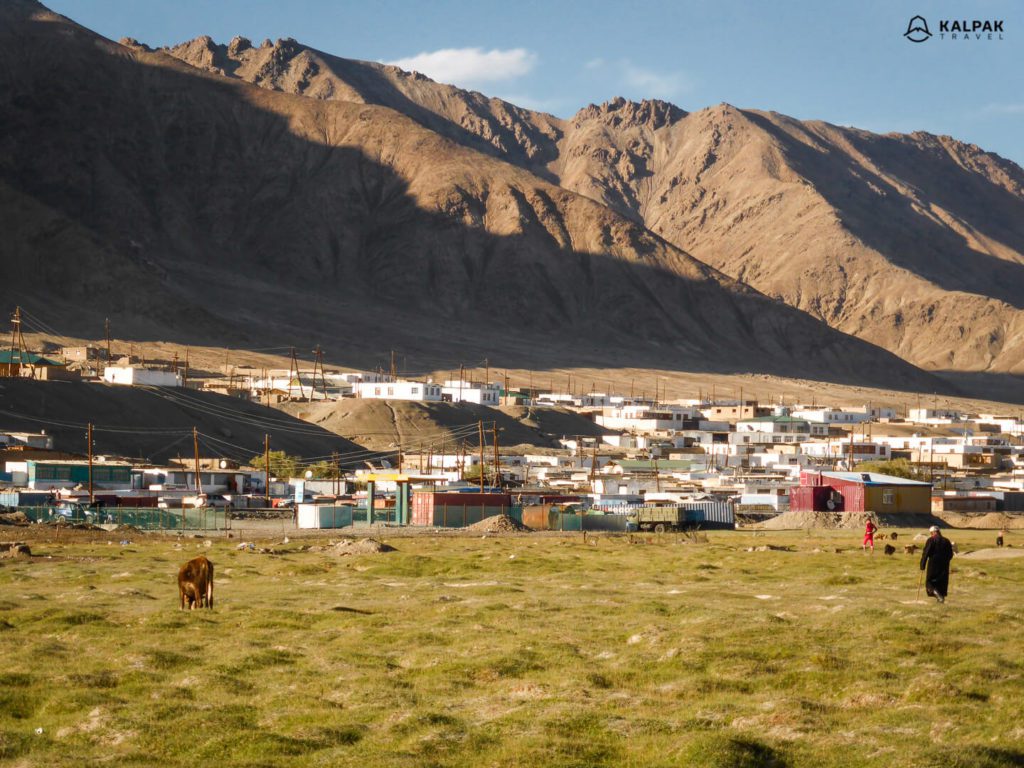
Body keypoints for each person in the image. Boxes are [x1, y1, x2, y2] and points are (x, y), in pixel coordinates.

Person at [920, 525, 954, 603]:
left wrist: (922, 564)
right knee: (942, 582)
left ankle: (939, 597)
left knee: (930, 582)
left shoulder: (931, 540)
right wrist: (946, 561)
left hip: (933, 564)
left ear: (933, 532)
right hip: (944, 565)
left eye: (931, 533)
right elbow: (950, 554)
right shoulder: (946, 540)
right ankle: (940, 599)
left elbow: (926, 553)